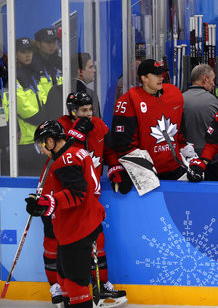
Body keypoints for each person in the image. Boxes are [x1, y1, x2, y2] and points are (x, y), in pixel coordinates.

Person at [53, 92, 129, 304]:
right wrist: (75, 136)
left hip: (91, 197)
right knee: (69, 248)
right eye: (83, 111)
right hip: (72, 197)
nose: (88, 114)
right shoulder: (61, 127)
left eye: (90, 109)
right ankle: (69, 291)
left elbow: (110, 149)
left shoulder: (98, 125)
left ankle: (102, 286)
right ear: (72, 111)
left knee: (98, 242)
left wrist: (113, 167)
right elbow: (60, 158)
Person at [25, 120, 105, 307]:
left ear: (51, 141)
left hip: (76, 231)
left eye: (41, 145)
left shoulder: (64, 161)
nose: (42, 151)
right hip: (80, 226)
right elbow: (89, 191)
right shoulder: (78, 152)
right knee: (65, 279)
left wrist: (48, 202)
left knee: (76, 288)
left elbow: (78, 193)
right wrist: (46, 202)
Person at [111, 59, 191, 180]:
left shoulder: (174, 95)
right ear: (144, 78)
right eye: (156, 75)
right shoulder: (129, 101)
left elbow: (181, 135)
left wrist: (190, 157)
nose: (161, 78)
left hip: (175, 168)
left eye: (161, 74)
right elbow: (123, 145)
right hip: (146, 173)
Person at [12, 37, 48, 175]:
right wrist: (45, 119)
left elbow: (44, 97)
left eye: (30, 51)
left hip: (39, 138)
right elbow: (23, 108)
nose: (28, 55)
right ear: (15, 54)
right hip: (25, 141)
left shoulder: (33, 73)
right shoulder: (13, 75)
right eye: (23, 51)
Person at [182, 64, 218, 180]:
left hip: (186, 160)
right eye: (213, 80)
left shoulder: (180, 99)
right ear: (205, 79)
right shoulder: (214, 101)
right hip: (211, 161)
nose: (214, 84)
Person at [32, 28, 62, 103]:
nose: (52, 45)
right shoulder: (32, 64)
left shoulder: (59, 62)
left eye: (54, 42)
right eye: (48, 42)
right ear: (38, 44)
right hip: (44, 109)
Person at [70, 53, 102, 119]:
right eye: (90, 67)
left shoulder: (56, 90)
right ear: (80, 71)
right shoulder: (90, 94)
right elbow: (96, 123)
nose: (94, 70)